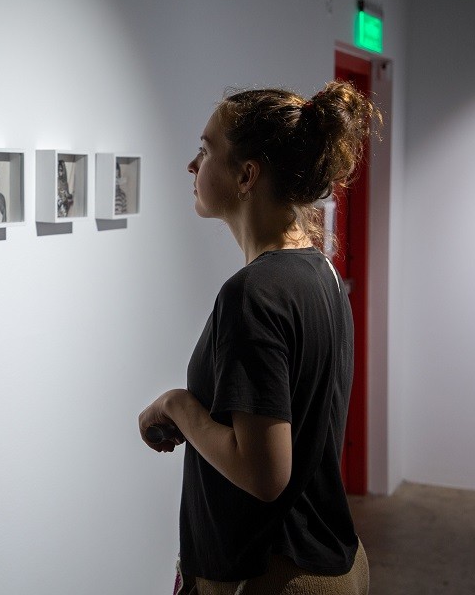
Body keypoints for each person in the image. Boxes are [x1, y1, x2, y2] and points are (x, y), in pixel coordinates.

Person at [138, 81, 379, 595]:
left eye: (206, 150)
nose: (192, 165)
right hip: (329, 558)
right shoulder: (320, 271)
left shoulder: (253, 294)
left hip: (272, 575)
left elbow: (265, 474)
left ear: (247, 175)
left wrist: (178, 405)